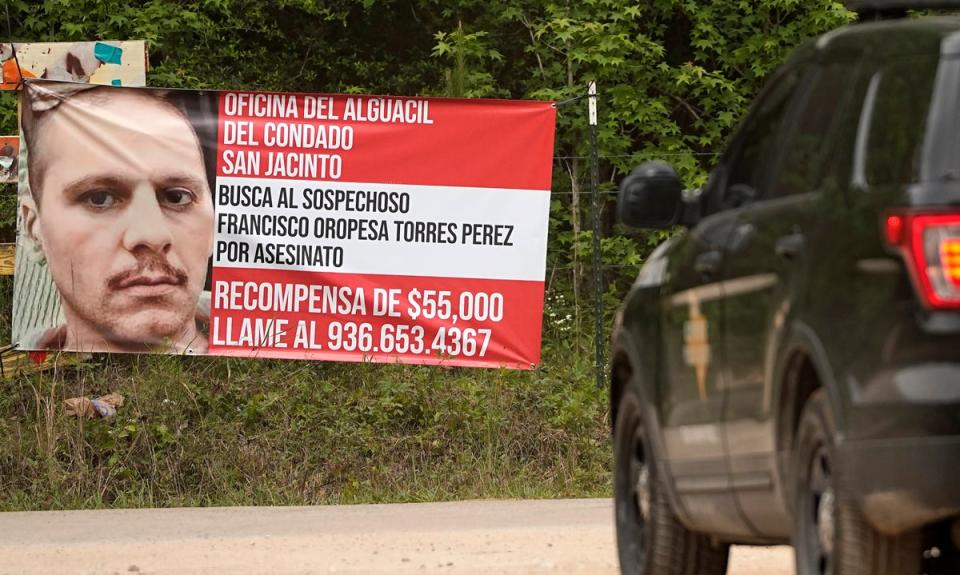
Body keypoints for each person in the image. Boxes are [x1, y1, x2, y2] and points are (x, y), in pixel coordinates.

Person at [18, 81, 215, 353]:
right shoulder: (34, 381)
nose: (152, 234)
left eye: (176, 197)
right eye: (100, 198)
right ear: (32, 227)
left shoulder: (265, 347)